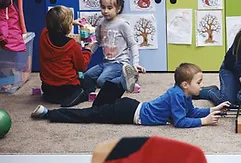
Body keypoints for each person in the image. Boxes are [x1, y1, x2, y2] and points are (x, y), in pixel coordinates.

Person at [31, 63, 230, 129]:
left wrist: (212, 109)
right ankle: (49, 114)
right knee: (87, 116)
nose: (201, 86)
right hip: (127, 113)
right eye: (199, 82)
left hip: (132, 105)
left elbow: (191, 112)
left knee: (93, 110)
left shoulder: (181, 94)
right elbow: (180, 121)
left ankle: (119, 85)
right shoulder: (178, 96)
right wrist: (204, 121)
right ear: (186, 84)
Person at [84, 0, 146, 93]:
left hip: (120, 63)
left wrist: (135, 63)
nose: (105, 11)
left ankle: (128, 78)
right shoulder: (100, 23)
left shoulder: (122, 24)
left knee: (101, 81)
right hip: (105, 63)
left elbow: (133, 44)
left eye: (109, 8)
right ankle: (123, 79)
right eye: (103, 7)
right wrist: (87, 53)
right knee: (87, 76)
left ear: (118, 9)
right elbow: (97, 42)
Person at [39, 6, 98, 107]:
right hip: (67, 88)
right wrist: (88, 50)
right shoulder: (71, 45)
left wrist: (71, 22)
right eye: (70, 22)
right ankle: (77, 96)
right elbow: (81, 66)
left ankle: (51, 97)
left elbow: (54, 24)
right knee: (89, 83)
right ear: (67, 26)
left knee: (53, 90)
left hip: (47, 87)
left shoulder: (44, 34)